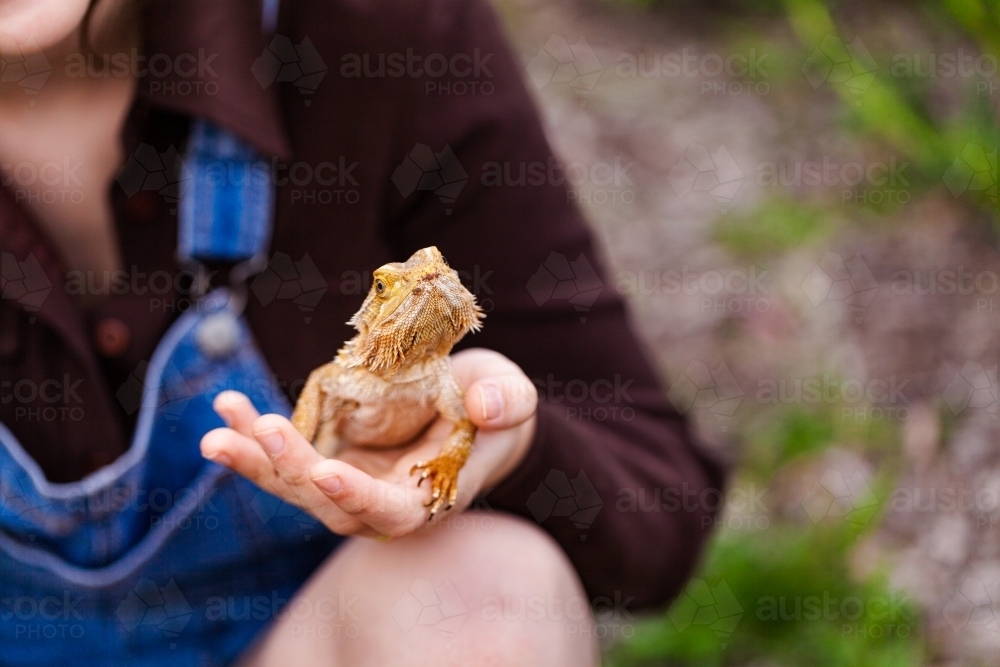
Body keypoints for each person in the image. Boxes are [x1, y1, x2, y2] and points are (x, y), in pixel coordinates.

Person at [0, 0, 725, 664]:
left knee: (486, 589)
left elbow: (659, 500)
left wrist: (503, 444)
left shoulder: (379, 30)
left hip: (306, 638)